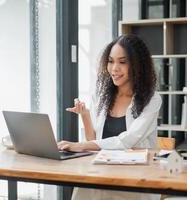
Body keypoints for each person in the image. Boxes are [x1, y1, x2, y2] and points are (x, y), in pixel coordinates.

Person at [57, 34, 162, 200]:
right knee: (82, 188)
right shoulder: (102, 95)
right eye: (111, 61)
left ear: (137, 65)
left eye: (122, 62)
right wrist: (85, 115)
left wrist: (79, 146)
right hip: (102, 171)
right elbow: (95, 140)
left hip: (135, 178)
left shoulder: (152, 99)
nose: (114, 68)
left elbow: (128, 140)